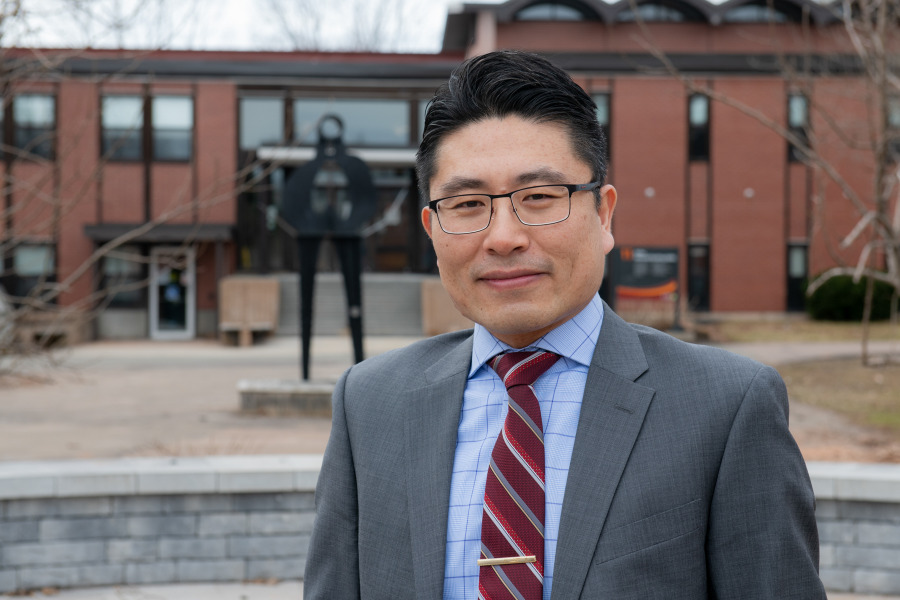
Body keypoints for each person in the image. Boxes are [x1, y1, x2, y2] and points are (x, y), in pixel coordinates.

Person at [304, 50, 825, 599]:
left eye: (539, 197)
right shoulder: (370, 403)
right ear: (432, 228)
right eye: (467, 204)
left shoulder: (725, 407)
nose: (503, 237)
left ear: (603, 215)